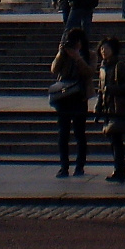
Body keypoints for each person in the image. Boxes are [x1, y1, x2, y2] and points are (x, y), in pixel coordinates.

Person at [94, 36, 125, 183]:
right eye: (102, 48)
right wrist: (98, 107)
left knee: (116, 140)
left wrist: (113, 89)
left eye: (106, 48)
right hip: (109, 108)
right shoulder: (103, 67)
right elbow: (101, 91)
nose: (103, 51)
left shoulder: (119, 66)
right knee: (114, 141)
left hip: (119, 108)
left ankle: (120, 169)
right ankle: (119, 168)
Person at [51, 28, 96, 177]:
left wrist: (78, 58)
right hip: (63, 97)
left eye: (76, 41)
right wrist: (60, 53)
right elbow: (54, 70)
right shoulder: (64, 54)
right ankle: (64, 166)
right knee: (63, 133)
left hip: (79, 97)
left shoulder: (90, 55)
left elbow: (89, 73)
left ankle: (80, 166)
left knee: (79, 133)